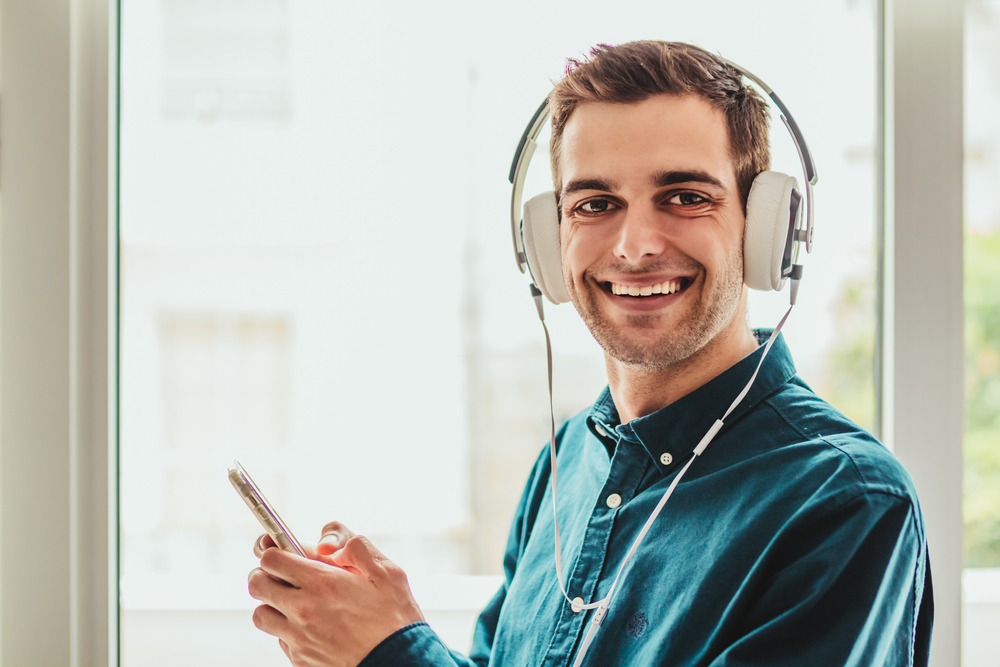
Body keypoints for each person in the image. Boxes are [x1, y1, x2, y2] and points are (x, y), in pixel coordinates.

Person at [247, 40, 933, 667]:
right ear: (547, 246)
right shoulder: (565, 461)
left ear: (765, 230)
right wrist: (357, 636)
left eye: (685, 196)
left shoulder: (848, 502)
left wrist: (395, 654)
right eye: (595, 203)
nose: (635, 245)